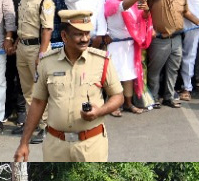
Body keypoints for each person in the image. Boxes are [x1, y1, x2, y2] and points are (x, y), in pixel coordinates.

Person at [14, 9, 123, 162]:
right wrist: (24, 143)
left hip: (92, 146)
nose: (85, 39)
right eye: (79, 34)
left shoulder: (101, 60)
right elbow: (38, 102)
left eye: (87, 34)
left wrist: (100, 111)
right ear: (64, 36)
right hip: (56, 146)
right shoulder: (47, 63)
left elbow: (118, 96)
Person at [11, 0, 55, 142]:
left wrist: (42, 54)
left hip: (38, 48)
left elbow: (47, 29)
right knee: (27, 88)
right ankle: (33, 124)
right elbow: (22, 23)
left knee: (40, 89)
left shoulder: (45, 0)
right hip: (23, 47)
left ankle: (46, 127)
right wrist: (16, 42)